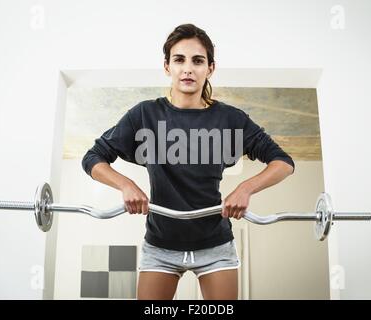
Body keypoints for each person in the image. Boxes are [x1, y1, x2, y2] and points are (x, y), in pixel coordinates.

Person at [81, 23, 295, 300]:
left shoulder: (230, 119)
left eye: (198, 60)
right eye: (179, 60)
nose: (188, 69)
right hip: (160, 245)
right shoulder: (144, 114)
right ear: (167, 66)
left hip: (215, 244)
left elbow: (283, 162)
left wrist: (246, 188)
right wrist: (126, 184)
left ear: (210, 68)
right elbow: (93, 158)